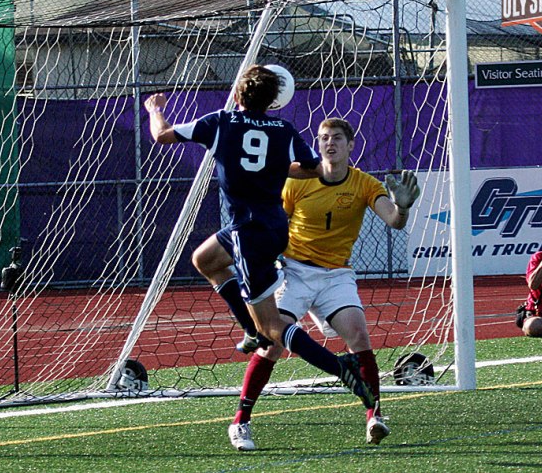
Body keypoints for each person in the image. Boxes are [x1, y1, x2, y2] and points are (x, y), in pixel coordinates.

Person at [144, 65, 375, 417]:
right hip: (269, 226)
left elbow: (162, 135)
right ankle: (250, 330)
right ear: (273, 102)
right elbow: (312, 167)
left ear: (238, 94)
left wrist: (155, 109)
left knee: (273, 329)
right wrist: (273, 166)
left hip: (249, 234)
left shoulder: (220, 122)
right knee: (205, 259)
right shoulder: (283, 129)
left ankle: (340, 367)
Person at [225, 117, 420, 451]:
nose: (330, 143)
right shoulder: (297, 182)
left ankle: (374, 415)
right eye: (324, 138)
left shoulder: (364, 184)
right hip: (295, 272)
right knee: (272, 342)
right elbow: (273, 224)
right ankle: (240, 421)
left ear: (351, 145)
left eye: (337, 138)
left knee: (358, 335)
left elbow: (394, 221)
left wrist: (401, 207)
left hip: (336, 276)